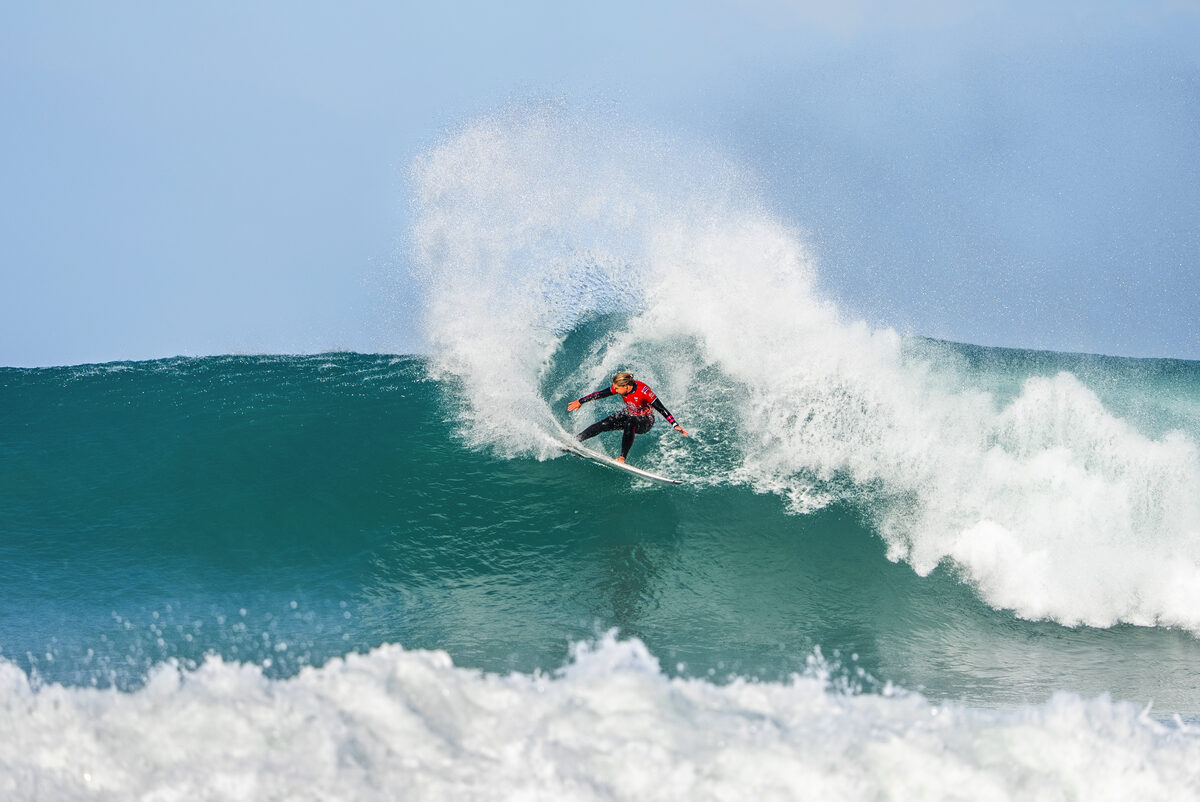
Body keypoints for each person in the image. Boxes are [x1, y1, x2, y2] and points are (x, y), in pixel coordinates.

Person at [566, 372, 689, 463]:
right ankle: (575, 440)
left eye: (618, 388)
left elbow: (662, 409)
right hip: (630, 413)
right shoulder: (620, 387)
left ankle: (622, 457)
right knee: (603, 424)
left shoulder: (644, 392)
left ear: (626, 386)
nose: (615, 390)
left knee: (630, 422)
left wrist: (675, 425)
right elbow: (600, 394)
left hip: (645, 421)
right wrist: (581, 401)